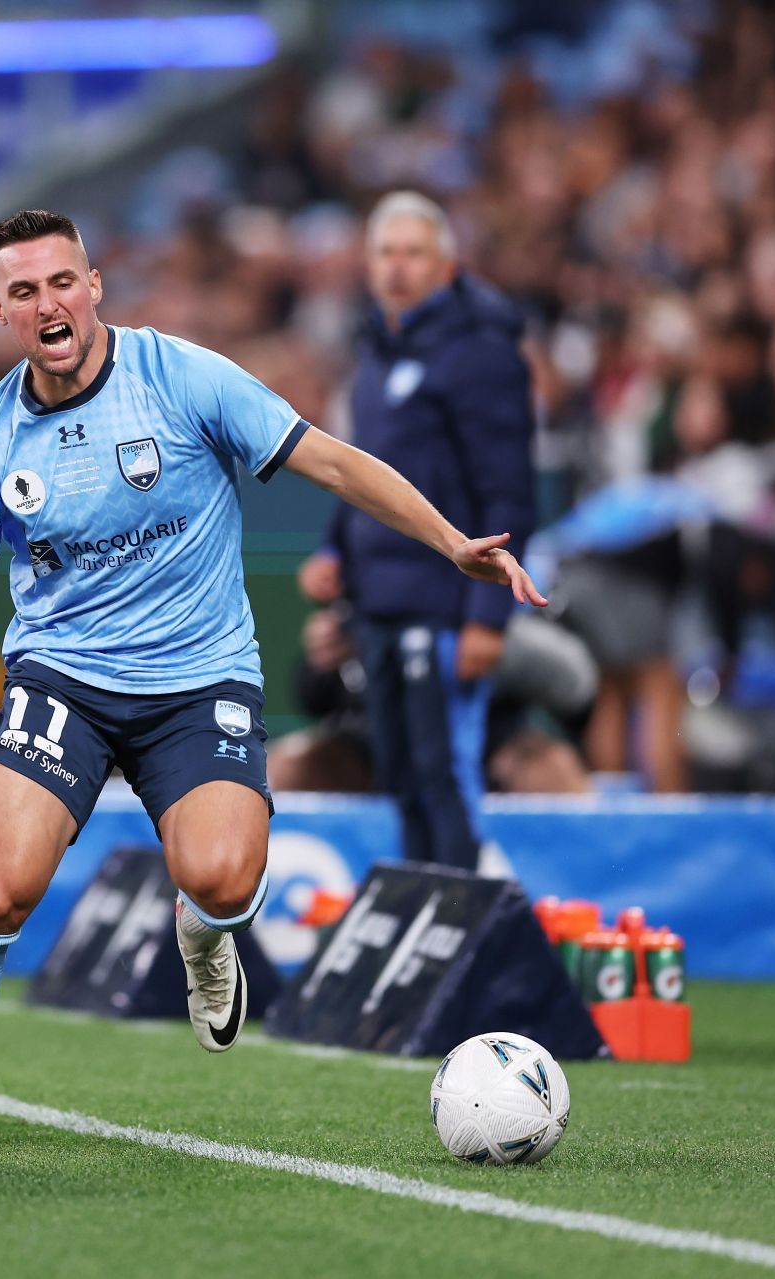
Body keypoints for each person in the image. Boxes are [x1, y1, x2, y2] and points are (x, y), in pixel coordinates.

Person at [0, 209, 544, 1159]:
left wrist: (450, 542)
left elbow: (331, 461)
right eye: (23, 292)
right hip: (64, 676)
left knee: (221, 875)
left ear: (94, 285)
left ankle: (205, 937)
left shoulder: (179, 376)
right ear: (0, 312)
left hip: (198, 676)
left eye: (62, 281)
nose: (47, 303)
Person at [298, 191, 537, 869]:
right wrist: (334, 551)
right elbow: (367, 480)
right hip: (379, 606)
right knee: (401, 778)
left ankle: (465, 931)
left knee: (446, 780)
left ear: (447, 264)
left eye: (414, 253)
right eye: (385, 252)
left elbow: (508, 492)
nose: (398, 267)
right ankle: (425, 929)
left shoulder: (481, 354)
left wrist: (489, 616)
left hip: (443, 609)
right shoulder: (376, 351)